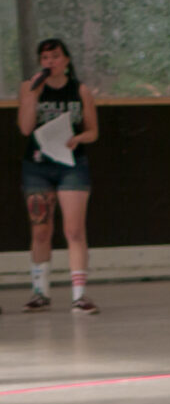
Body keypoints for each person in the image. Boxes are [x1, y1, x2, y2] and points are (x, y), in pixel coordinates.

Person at [19, 38, 100, 314]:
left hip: (71, 163)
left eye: (54, 57)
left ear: (65, 60)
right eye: (44, 58)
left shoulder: (80, 90)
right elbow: (25, 127)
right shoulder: (30, 88)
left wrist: (78, 138)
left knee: (74, 230)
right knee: (41, 229)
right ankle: (39, 292)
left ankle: (79, 294)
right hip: (38, 165)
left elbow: (93, 131)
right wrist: (31, 95)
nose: (49, 62)